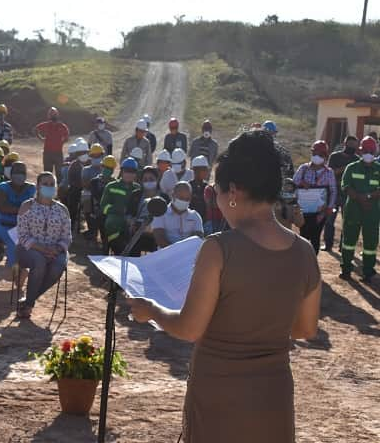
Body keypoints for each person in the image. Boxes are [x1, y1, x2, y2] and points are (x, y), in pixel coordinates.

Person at [129, 130, 321, 443]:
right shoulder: (304, 251)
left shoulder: (219, 249)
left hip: (219, 396)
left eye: (217, 192)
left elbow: (189, 328)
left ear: (233, 190)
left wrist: (152, 311)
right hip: (273, 398)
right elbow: (305, 329)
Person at [16, 172, 71, 318]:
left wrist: (57, 248)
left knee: (58, 266)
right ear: (38, 187)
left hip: (56, 250)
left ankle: (28, 302)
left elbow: (67, 237)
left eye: (52, 184)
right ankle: (28, 304)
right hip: (29, 249)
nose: (49, 187)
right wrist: (42, 248)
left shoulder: (62, 210)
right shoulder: (27, 206)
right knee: (39, 262)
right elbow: (22, 235)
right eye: (45, 184)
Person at [340, 136, 380, 282]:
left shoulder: (379, 169)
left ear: (374, 152)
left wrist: (367, 197)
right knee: (348, 241)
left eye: (371, 151)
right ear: (361, 152)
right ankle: (346, 269)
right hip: (353, 211)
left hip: (372, 213)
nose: (368, 153)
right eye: (366, 151)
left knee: (370, 244)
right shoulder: (352, 168)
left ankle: (368, 271)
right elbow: (345, 186)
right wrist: (361, 198)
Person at [292, 140, 337, 254]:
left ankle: (313, 264)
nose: (317, 157)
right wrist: (302, 182)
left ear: (325, 156)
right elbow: (293, 183)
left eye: (320, 155)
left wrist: (329, 207)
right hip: (304, 211)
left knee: (315, 237)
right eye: (314, 154)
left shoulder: (329, 172)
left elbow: (333, 191)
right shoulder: (303, 169)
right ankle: (303, 263)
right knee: (304, 236)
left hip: (320, 212)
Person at [0, 161, 36, 279]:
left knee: (34, 244)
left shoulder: (32, 188)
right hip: (4, 226)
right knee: (14, 243)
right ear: (11, 174)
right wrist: (23, 210)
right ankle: (15, 272)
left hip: (24, 227)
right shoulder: (2, 188)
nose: (19, 175)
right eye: (16, 172)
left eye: (22, 172)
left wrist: (18, 210)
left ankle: (22, 271)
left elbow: (37, 207)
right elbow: (2, 207)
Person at [100, 157, 142, 255]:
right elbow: (103, 207)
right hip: (114, 224)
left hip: (132, 225)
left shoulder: (138, 188)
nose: (129, 174)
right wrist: (117, 210)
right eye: (127, 171)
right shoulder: (111, 186)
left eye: (132, 171)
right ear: (122, 171)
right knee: (120, 248)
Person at [324, 135, 359, 251]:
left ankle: (343, 246)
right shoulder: (335, 157)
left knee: (347, 222)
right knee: (329, 221)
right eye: (350, 145)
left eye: (354, 146)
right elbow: (330, 173)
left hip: (348, 195)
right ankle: (328, 244)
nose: (352, 147)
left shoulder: (357, 160)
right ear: (345, 144)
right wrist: (346, 168)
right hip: (333, 193)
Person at [152, 181, 204, 248]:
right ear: (173, 195)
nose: (184, 201)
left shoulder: (195, 216)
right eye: (181, 198)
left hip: (189, 254)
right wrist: (177, 252)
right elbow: (159, 239)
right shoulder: (160, 214)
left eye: (187, 199)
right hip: (166, 254)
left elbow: (198, 239)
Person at [89, 155, 117, 248]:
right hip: (98, 208)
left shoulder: (115, 183)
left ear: (113, 170)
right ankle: (95, 237)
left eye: (109, 168)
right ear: (101, 167)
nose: (107, 170)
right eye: (105, 167)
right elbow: (96, 196)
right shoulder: (94, 182)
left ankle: (106, 242)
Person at [35, 107, 70, 181]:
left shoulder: (62, 126)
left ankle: (60, 191)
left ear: (57, 115)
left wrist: (61, 143)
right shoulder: (46, 125)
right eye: (52, 114)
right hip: (48, 153)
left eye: (54, 114)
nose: (53, 116)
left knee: (59, 175)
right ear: (49, 116)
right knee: (47, 174)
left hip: (57, 153)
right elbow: (36, 129)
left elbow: (67, 137)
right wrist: (41, 138)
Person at [133, 166, 161, 253]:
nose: (148, 181)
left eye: (151, 179)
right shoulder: (136, 195)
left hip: (157, 230)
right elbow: (129, 214)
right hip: (138, 229)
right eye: (145, 179)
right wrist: (132, 221)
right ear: (141, 181)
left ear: (157, 179)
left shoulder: (164, 197)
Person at [67, 139, 89, 232]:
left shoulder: (90, 163)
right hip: (76, 189)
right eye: (81, 153)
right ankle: (71, 224)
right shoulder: (73, 165)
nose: (83, 154)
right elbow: (70, 180)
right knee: (72, 201)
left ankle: (90, 228)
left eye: (85, 152)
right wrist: (80, 185)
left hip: (88, 190)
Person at [189, 155, 210, 221]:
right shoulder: (188, 187)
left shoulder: (207, 187)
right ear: (196, 170)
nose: (207, 172)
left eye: (207, 169)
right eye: (204, 169)